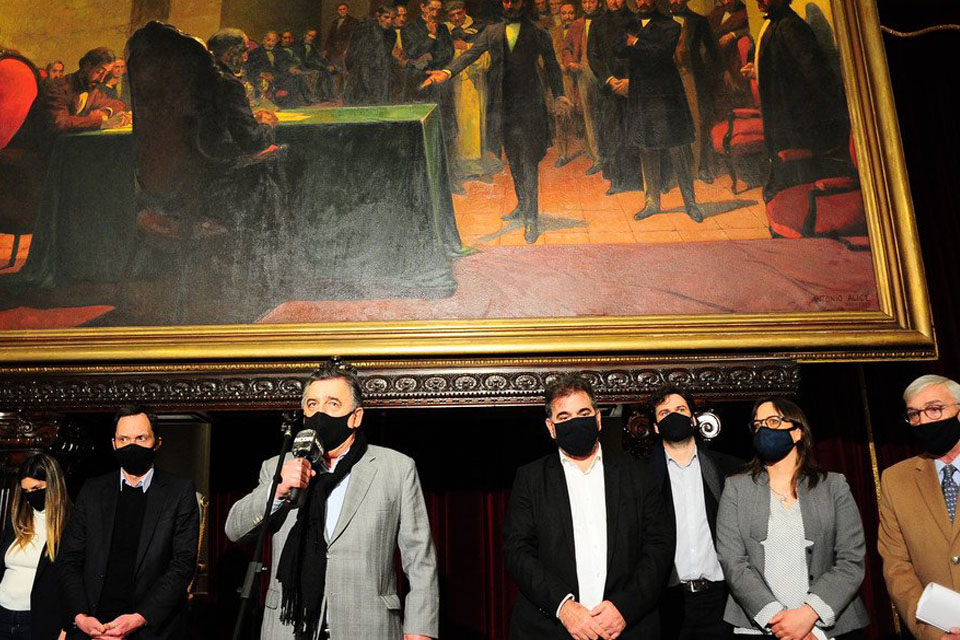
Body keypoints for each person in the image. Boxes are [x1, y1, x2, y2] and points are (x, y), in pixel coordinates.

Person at [225, 361, 439, 639]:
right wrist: (277, 489)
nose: (320, 413)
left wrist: (420, 629)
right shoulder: (278, 467)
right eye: (312, 404)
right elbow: (235, 530)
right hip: (288, 628)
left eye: (333, 404)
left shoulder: (396, 468)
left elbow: (419, 557)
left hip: (367, 625)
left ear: (356, 417)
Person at [503, 373, 674, 638]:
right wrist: (565, 608)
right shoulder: (530, 479)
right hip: (551, 630)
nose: (575, 422)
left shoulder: (638, 475)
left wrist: (624, 607)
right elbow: (518, 552)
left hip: (628, 628)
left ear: (597, 419)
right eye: (564, 417)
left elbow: (659, 546)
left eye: (583, 413)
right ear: (551, 427)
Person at [716, 398, 869, 640]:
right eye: (758, 425)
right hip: (760, 628)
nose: (763, 430)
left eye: (773, 421)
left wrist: (808, 618)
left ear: (798, 432)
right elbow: (732, 561)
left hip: (827, 629)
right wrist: (780, 622)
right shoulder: (736, 488)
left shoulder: (834, 486)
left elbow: (851, 559)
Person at [423, 0, 573, 243]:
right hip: (504, 106)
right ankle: (522, 205)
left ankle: (531, 219)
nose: (510, 4)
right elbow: (471, 54)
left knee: (529, 160)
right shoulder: (492, 31)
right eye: (505, 0)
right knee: (513, 157)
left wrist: (559, 95)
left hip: (530, 106)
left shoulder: (539, 32)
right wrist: (448, 72)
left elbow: (553, 66)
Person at [58, 405, 199, 640]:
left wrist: (140, 617)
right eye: (124, 439)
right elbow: (69, 558)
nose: (131, 445)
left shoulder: (179, 492)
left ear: (157, 442)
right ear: (114, 444)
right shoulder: (92, 490)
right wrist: (80, 617)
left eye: (141, 438)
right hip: (92, 628)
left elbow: (182, 564)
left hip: (149, 630)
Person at [645, 386, 742, 640]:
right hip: (667, 601)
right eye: (664, 413)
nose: (673, 416)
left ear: (693, 420)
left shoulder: (727, 469)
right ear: (656, 427)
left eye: (680, 409)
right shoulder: (642, 477)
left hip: (721, 599)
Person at [739, 0, 850, 201]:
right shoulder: (775, 24)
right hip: (782, 114)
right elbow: (782, 64)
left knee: (794, 179)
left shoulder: (791, 26)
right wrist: (757, 70)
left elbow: (813, 74)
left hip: (796, 118)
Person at [878, 375, 960, 640]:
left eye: (934, 409)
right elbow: (897, 566)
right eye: (914, 414)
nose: (923, 421)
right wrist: (933, 632)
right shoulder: (895, 479)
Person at [619, 0, 705, 223]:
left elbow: (662, 53)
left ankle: (690, 203)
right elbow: (618, 50)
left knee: (678, 147)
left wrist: (636, 42)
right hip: (642, 95)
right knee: (646, 148)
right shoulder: (629, 24)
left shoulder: (670, 25)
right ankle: (651, 202)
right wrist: (639, 46)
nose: (643, 2)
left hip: (666, 95)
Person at [0, 454, 70, 640]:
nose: (31, 495)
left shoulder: (70, 524)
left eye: (37, 488)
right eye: (26, 491)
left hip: (39, 620)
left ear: (53, 485)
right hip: (3, 615)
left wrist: (66, 627)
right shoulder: (17, 520)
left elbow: (75, 581)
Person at [9, 47, 129, 154]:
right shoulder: (57, 88)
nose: (102, 79)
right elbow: (61, 123)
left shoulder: (92, 88)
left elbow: (117, 104)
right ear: (87, 66)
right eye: (99, 72)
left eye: (106, 74)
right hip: (37, 150)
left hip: (64, 147)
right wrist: (102, 122)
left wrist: (105, 112)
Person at [587, 0, 642, 196]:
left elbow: (644, 54)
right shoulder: (597, 23)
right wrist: (609, 79)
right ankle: (617, 180)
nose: (613, 1)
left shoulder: (637, 20)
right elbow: (593, 56)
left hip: (633, 86)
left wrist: (630, 81)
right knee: (613, 134)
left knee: (634, 131)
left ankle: (638, 180)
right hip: (609, 89)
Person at [668, 0, 721, 181]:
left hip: (692, 78)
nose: (675, 1)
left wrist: (724, 72)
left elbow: (713, 49)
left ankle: (702, 167)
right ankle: (678, 171)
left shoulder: (698, 20)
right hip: (669, 81)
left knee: (699, 123)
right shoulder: (661, 21)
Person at [562, 0, 602, 176]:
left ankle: (609, 155)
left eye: (592, 1)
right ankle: (597, 156)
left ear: (599, 3)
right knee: (589, 116)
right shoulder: (577, 24)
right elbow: (566, 49)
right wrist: (571, 62)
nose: (588, 6)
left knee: (606, 115)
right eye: (585, 2)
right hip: (584, 72)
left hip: (605, 73)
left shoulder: (606, 21)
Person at [344, 6, 398, 105]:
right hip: (362, 71)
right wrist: (352, 69)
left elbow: (386, 55)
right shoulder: (364, 28)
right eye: (386, 17)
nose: (389, 21)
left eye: (392, 18)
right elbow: (352, 50)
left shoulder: (392, 34)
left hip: (381, 73)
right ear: (378, 16)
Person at [550, 1, 581, 168]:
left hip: (579, 78)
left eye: (571, 13)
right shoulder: (553, 32)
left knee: (583, 114)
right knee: (560, 116)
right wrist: (558, 66)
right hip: (561, 80)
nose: (567, 17)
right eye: (564, 13)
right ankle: (563, 154)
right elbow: (547, 56)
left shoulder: (581, 29)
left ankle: (591, 153)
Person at [324, 2, 359, 88]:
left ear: (347, 10)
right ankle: (336, 91)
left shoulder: (353, 21)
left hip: (345, 50)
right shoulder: (335, 22)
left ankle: (346, 90)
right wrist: (326, 49)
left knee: (346, 72)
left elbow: (354, 38)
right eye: (340, 10)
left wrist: (348, 49)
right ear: (337, 11)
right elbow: (330, 37)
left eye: (344, 9)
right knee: (335, 71)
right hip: (334, 51)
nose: (342, 11)